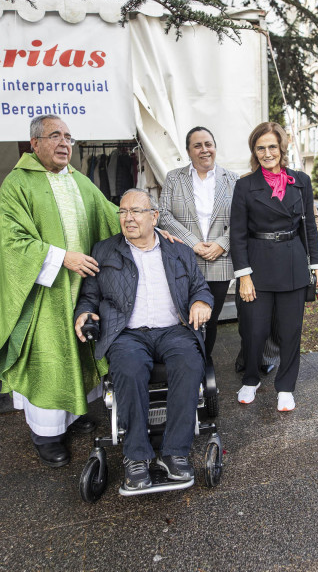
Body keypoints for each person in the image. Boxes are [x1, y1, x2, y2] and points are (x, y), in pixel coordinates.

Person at [0, 114, 122, 468]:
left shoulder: (77, 179)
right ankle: (46, 434)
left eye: (68, 137)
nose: (64, 143)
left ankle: (73, 417)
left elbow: (111, 214)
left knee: (77, 351)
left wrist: (149, 222)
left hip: (81, 287)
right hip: (43, 292)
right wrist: (63, 258)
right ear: (34, 144)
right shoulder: (17, 184)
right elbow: (12, 241)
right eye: (54, 136)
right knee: (49, 356)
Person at [74, 189, 213, 491]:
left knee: (189, 363)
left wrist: (202, 302)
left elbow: (200, 287)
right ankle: (135, 456)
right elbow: (89, 296)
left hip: (173, 329)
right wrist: (85, 314)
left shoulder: (179, 250)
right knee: (129, 368)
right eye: (123, 212)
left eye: (136, 211)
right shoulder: (104, 251)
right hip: (128, 334)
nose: (128, 218)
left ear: (154, 216)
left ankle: (175, 452)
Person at [230, 122, 318, 412]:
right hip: (257, 266)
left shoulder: (301, 181)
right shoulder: (245, 185)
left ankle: (286, 387)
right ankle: (251, 378)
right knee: (253, 330)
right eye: (261, 148)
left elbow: (309, 226)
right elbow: (237, 234)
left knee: (290, 331)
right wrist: (244, 275)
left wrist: (317, 264)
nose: (267, 153)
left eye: (272, 146)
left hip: (293, 263)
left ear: (282, 148)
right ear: (254, 151)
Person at [157, 127, 236, 362]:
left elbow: (242, 218)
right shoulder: (174, 177)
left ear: (215, 147)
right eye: (198, 145)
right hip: (184, 258)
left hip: (219, 261)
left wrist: (222, 244)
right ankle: (185, 362)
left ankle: (204, 363)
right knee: (183, 316)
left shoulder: (232, 179)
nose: (204, 150)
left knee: (210, 319)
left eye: (208, 144)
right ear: (188, 151)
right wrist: (193, 244)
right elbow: (164, 215)